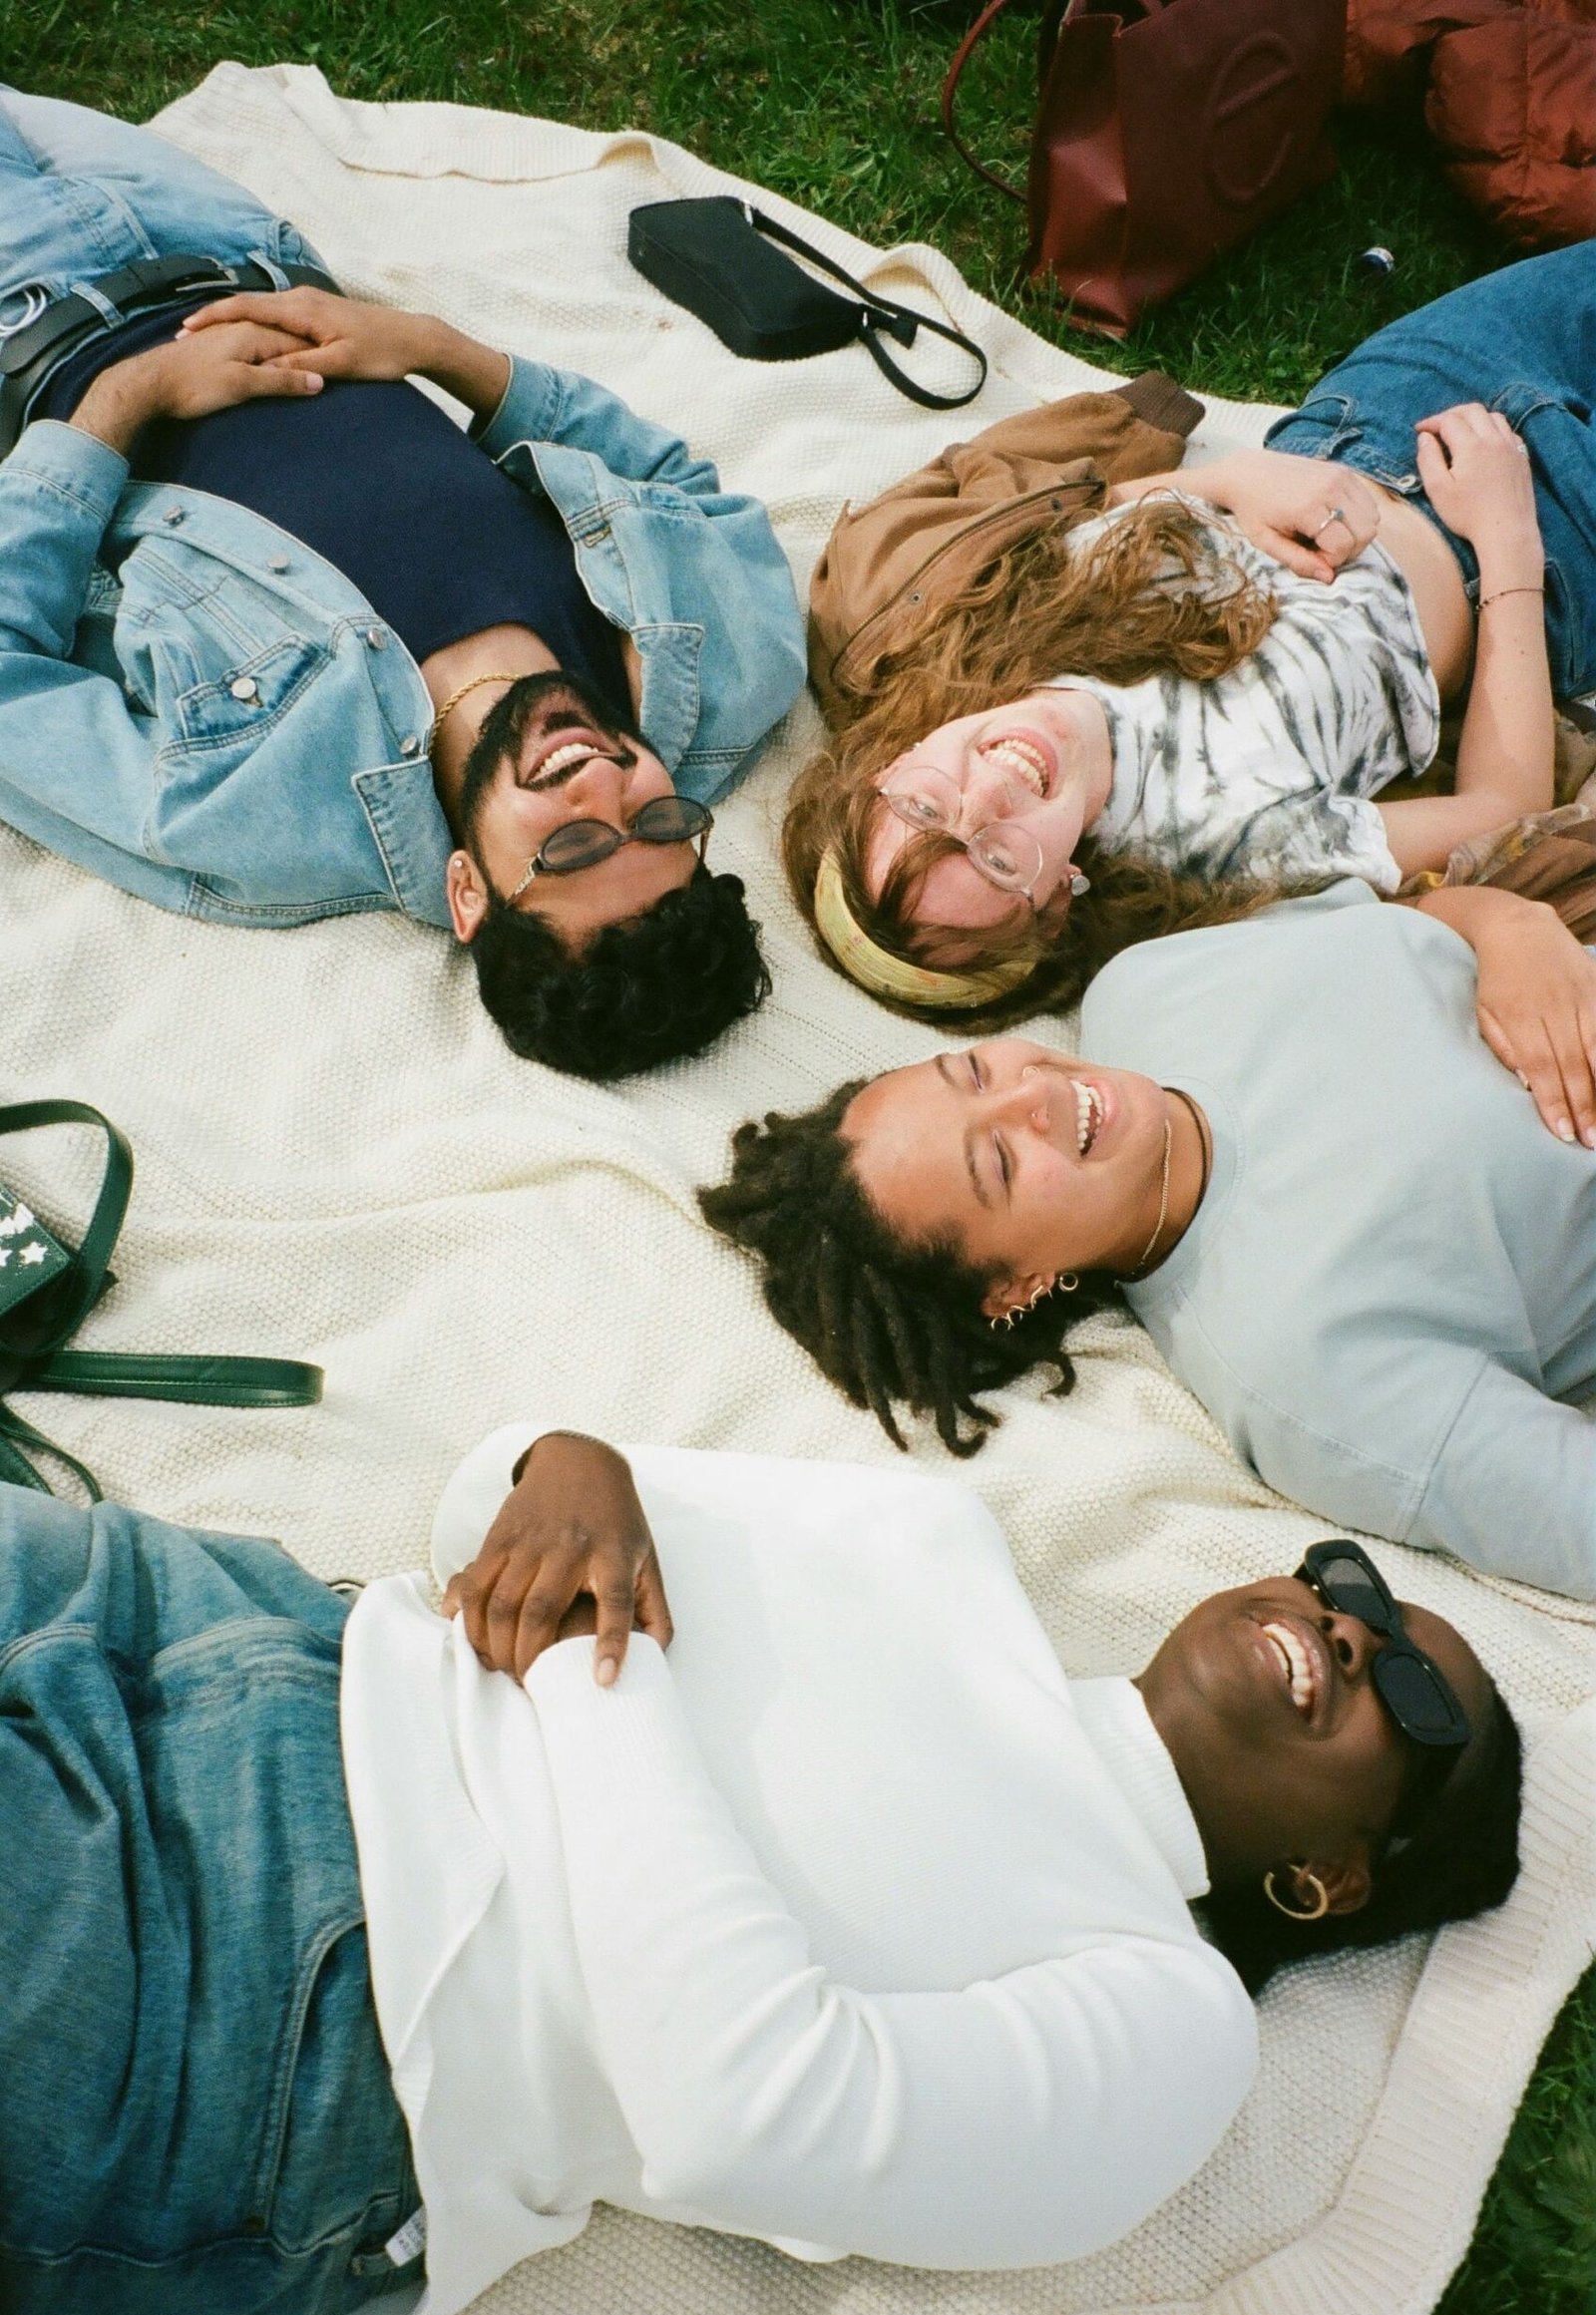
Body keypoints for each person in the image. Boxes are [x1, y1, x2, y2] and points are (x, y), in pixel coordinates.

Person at [0, 1423, 1519, 2315]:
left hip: (297, 1998)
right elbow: (493, 1512)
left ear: (1329, 1880)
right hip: (233, 1624)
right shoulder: (938, 1540)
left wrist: (586, 1662)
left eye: (1415, 1698)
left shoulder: (1171, 2025)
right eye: (1354, 1588)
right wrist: (572, 1457)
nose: (1350, 1628)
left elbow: (742, 2110)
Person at [0, 90, 807, 1078]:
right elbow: (678, 485)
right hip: (234, 241)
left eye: (571, 849)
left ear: (469, 893)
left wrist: (125, 401)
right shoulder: (723, 670)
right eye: (657, 821)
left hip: (31, 327)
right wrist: (438, 351)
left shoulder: (258, 818)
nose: (603, 783)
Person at [700, 876, 1596, 1599]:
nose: (1032, 1092)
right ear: (1016, 1286)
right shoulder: (1304, 1370)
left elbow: (1415, 913)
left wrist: (1514, 928)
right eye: (999, 1162)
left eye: (972, 1072)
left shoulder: (1143, 988)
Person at [786, 243, 1596, 1025]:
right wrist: (1508, 542)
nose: (990, 794)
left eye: (926, 806)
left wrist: (1230, 478)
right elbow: (1503, 808)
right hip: (1556, 538)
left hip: (1392, 407)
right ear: (1059, 900)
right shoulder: (1223, 851)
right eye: (998, 861)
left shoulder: (957, 646)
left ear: (888, 769)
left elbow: (1097, 505)